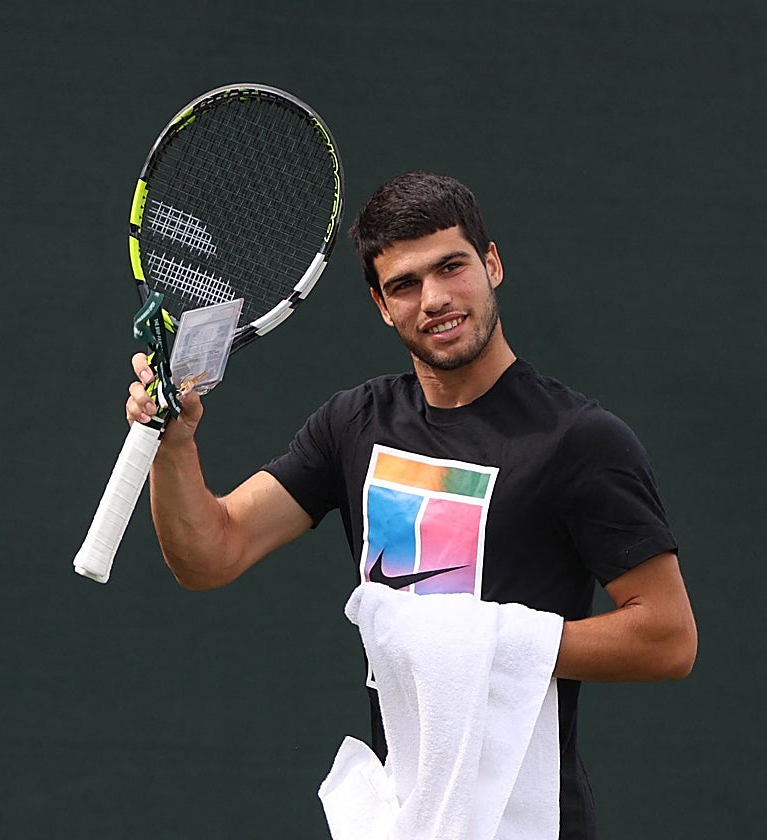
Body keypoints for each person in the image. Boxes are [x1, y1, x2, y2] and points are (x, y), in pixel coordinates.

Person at [125, 171, 697, 839]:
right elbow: (209, 554)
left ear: (491, 264)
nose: (435, 299)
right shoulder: (353, 423)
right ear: (380, 304)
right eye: (404, 285)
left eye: (451, 267)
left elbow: (668, 637)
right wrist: (174, 443)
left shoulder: (580, 441)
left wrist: (479, 642)